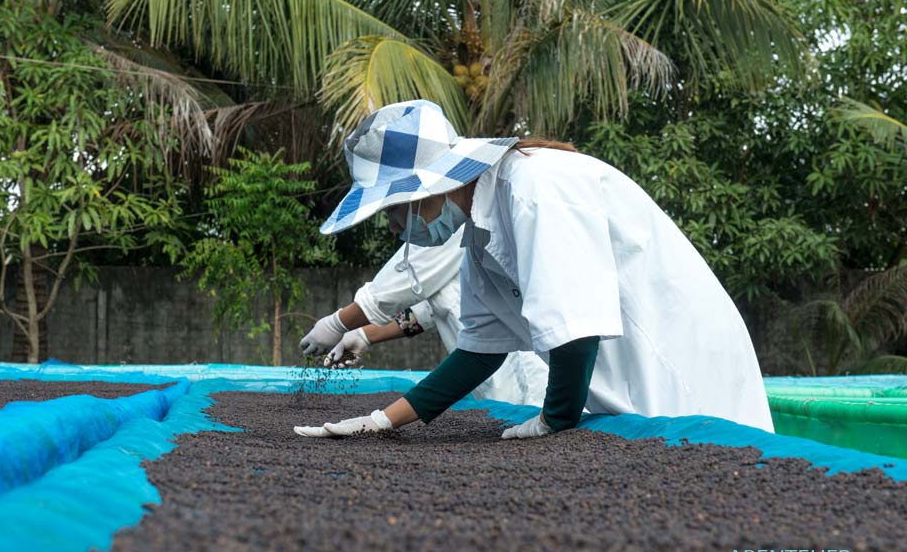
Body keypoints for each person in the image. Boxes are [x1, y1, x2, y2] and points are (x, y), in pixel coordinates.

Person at [296, 100, 773, 439]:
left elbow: (577, 327)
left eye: (395, 209)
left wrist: (555, 419)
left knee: (714, 457)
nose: (397, 225)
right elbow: (480, 351)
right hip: (625, 381)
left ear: (430, 186)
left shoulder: (534, 188)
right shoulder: (480, 232)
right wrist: (383, 421)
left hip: (678, 362)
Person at [310, 231, 549, 406]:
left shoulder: (452, 233)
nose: (394, 225)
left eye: (394, 210)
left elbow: (392, 286)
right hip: (496, 393)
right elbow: (428, 309)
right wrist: (364, 335)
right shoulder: (455, 260)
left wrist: (338, 322)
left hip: (532, 382)